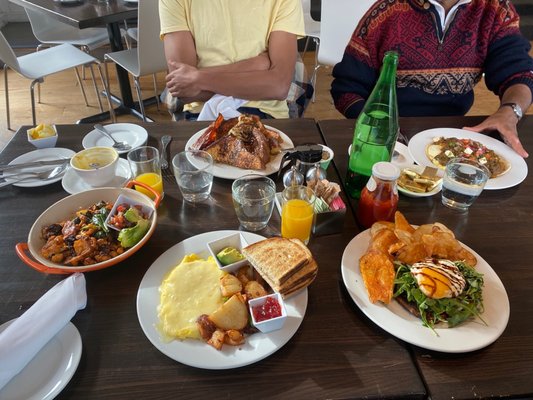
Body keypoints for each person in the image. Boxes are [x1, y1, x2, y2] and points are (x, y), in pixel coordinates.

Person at [331, 0, 533, 158]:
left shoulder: (495, 9)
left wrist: (510, 112)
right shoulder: (386, 12)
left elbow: (519, 74)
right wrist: (377, 129)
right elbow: (347, 89)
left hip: (452, 133)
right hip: (384, 137)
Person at [159, 0, 305, 120]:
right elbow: (184, 89)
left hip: (266, 112)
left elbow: (279, 87)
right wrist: (257, 66)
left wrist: (199, 78)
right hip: (202, 113)